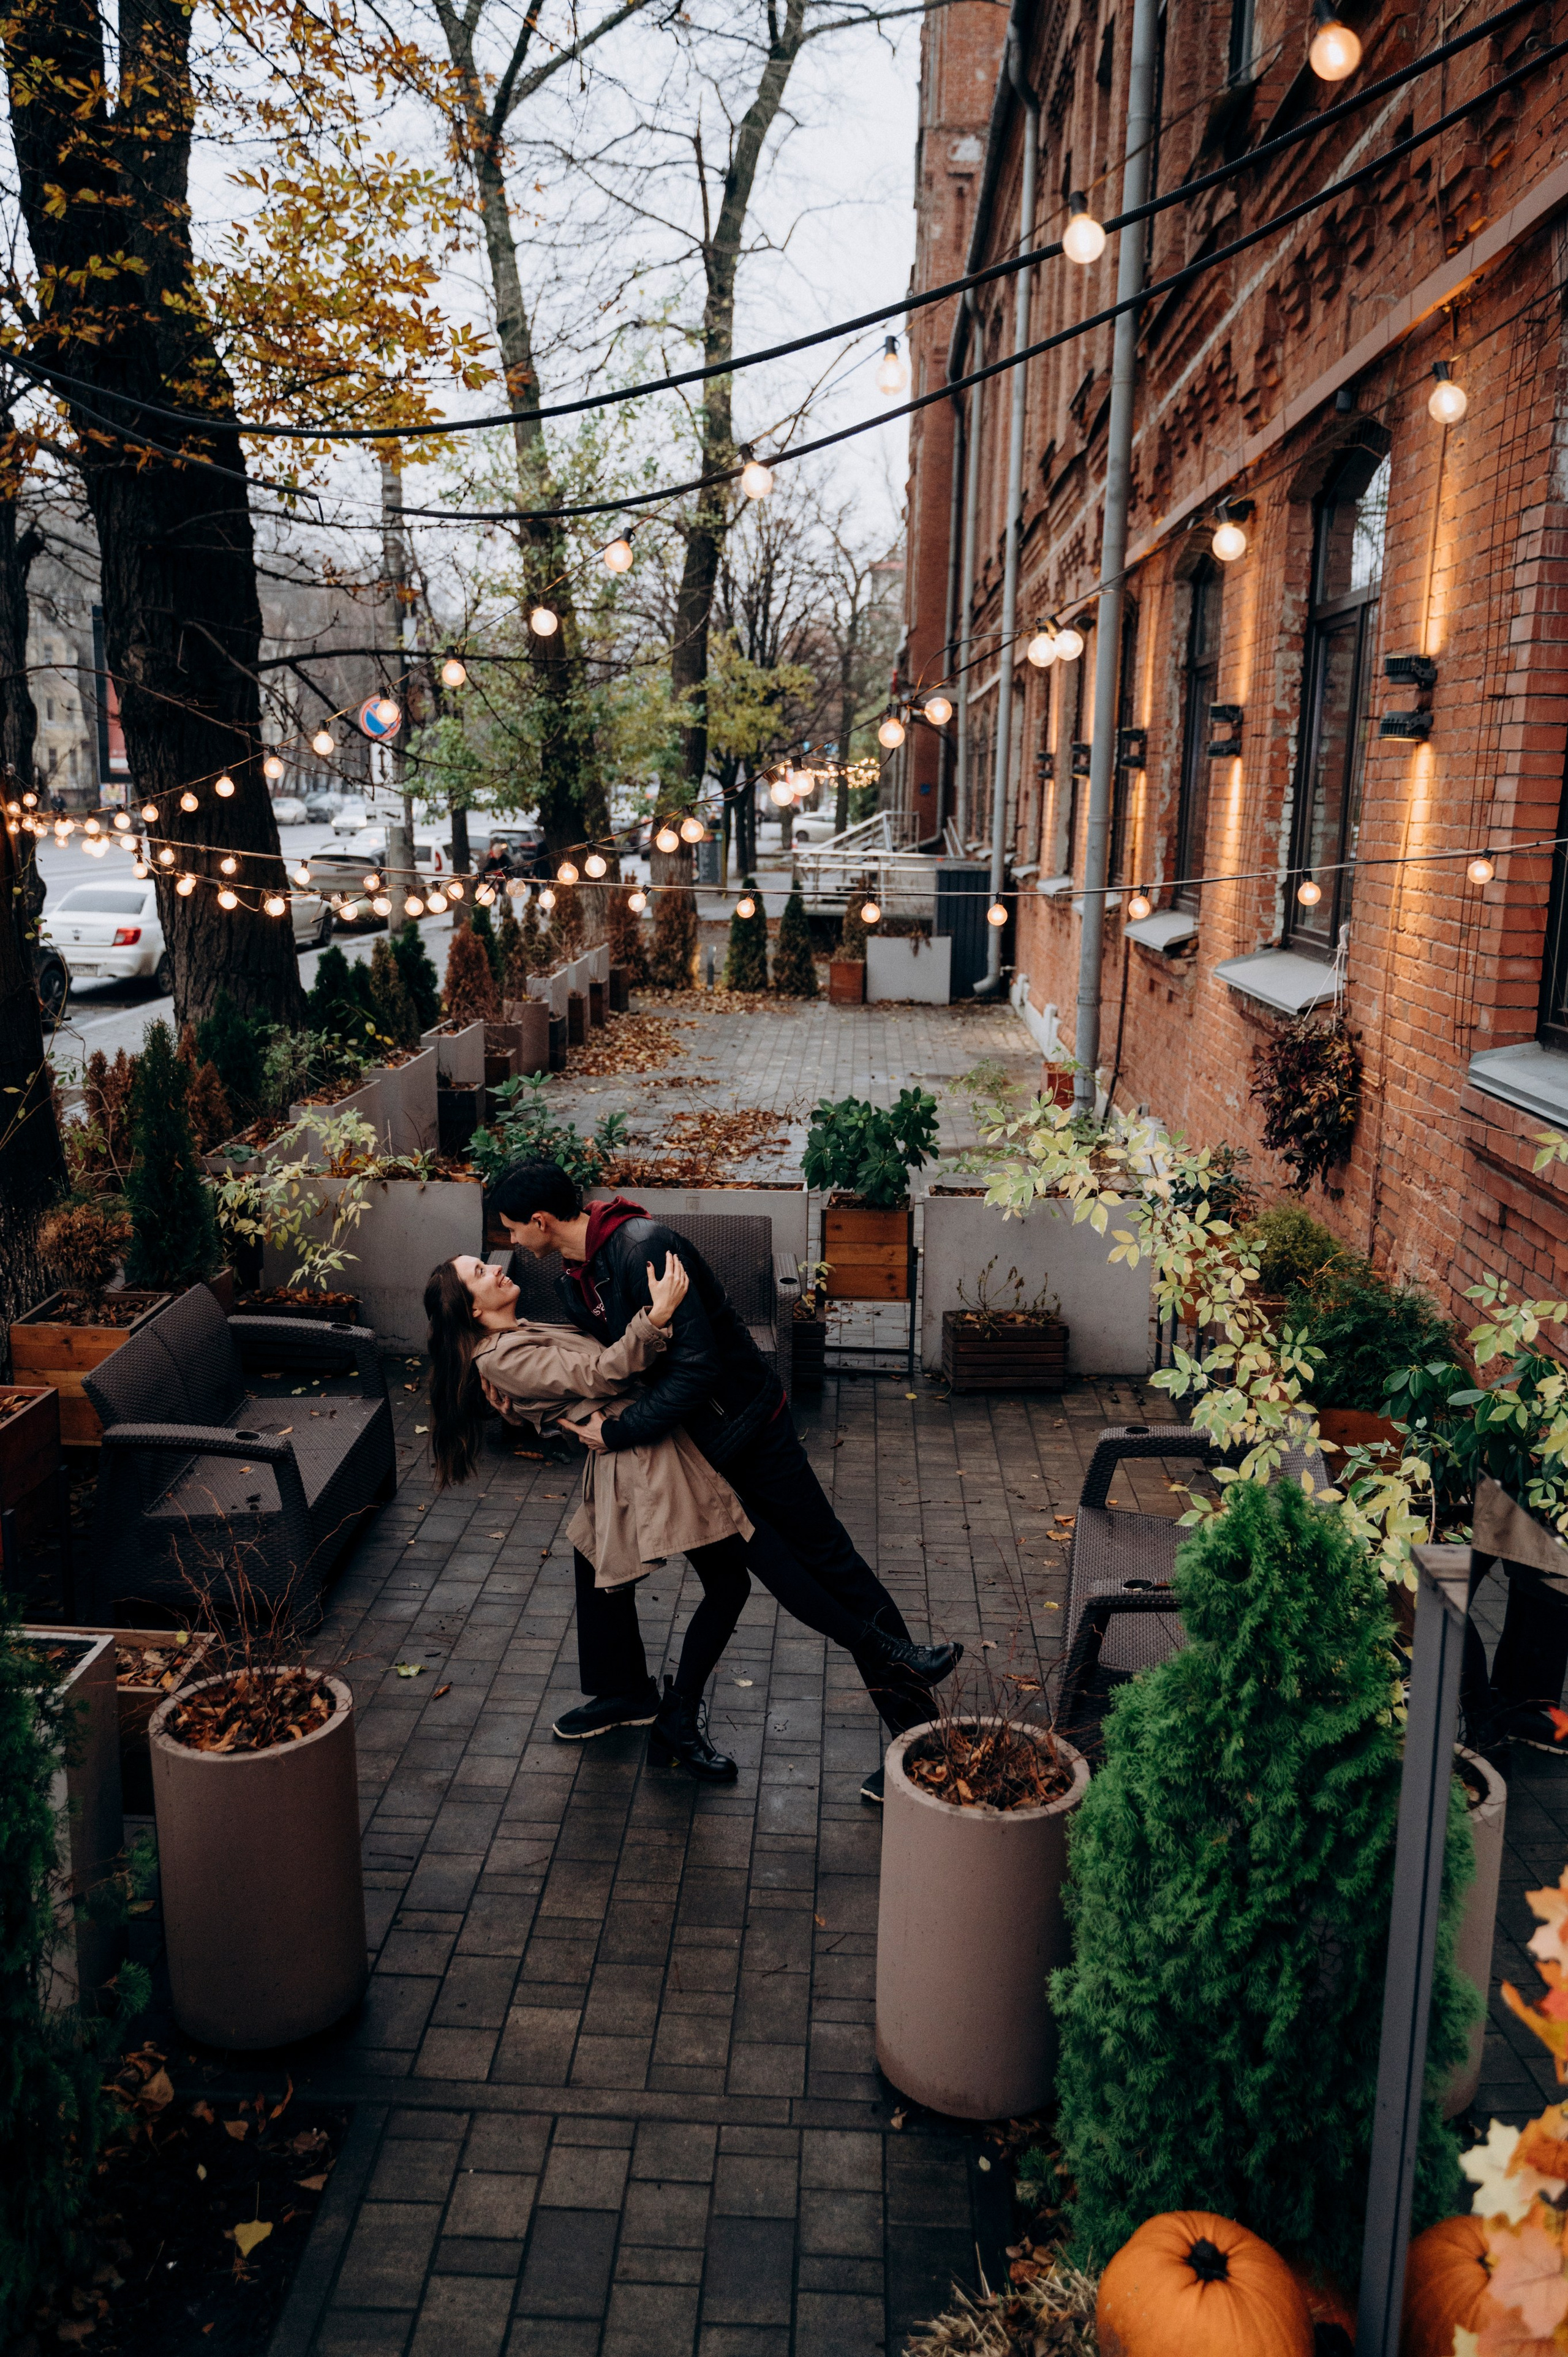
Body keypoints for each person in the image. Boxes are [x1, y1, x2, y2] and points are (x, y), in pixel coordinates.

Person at [486, 1161, 962, 1805]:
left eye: (514, 1229)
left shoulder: (643, 1248)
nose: (513, 1242)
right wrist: (520, 1396)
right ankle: (665, 1712)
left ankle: (919, 1742)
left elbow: (697, 1371)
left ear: (540, 1220)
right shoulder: (576, 1280)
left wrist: (622, 1434)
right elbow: (601, 1368)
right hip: (696, 1449)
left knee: (832, 1568)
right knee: (714, 1574)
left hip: (747, 1434)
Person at [424, 1248, 749, 1781]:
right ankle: (676, 1717)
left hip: (637, 1447)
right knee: (727, 1581)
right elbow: (599, 1373)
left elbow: (564, 1382)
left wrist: (539, 1413)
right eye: (480, 1273)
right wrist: (658, 1316)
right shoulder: (500, 1357)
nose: (496, 1268)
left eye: (486, 1262)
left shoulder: (514, 1337)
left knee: (596, 1561)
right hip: (645, 1461)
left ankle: (628, 1693)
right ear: (474, 1310)